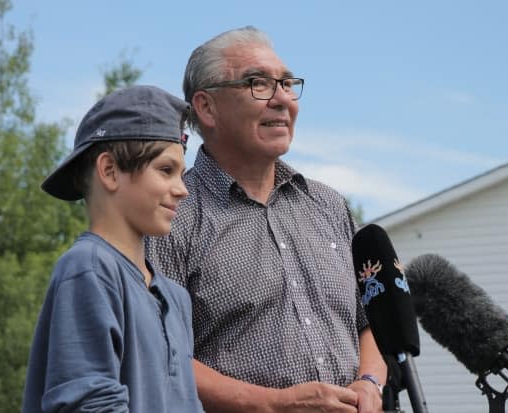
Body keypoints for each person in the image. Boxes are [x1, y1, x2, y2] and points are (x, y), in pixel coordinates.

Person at [146, 26, 387, 413]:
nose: (282, 99)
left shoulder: (329, 205)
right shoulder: (172, 216)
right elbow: (156, 353)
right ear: (206, 108)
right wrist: (275, 404)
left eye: (287, 83)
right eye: (259, 83)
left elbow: (374, 316)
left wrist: (370, 381)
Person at [21, 85, 204, 413]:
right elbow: (90, 405)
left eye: (182, 173)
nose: (182, 190)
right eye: (166, 170)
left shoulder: (176, 299)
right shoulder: (89, 268)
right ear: (109, 171)